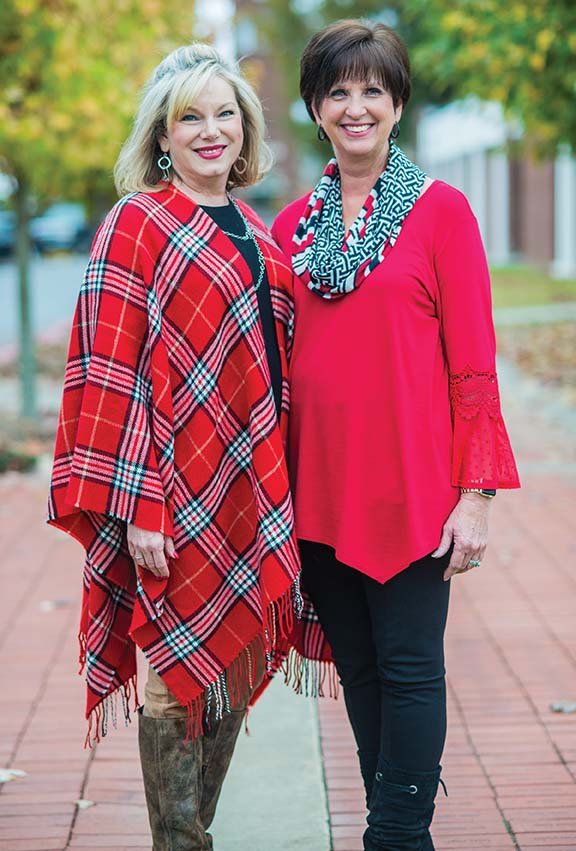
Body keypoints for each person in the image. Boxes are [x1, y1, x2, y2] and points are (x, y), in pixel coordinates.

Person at [272, 20, 520, 851]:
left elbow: (475, 366)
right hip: (321, 495)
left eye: (372, 90)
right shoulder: (293, 232)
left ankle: (398, 835)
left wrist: (475, 496)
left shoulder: (442, 214)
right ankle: (395, 826)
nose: (355, 107)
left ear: (398, 104)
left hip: (415, 491)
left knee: (411, 668)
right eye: (337, 91)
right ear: (314, 108)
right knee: (365, 671)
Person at [48, 43, 302, 850]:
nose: (209, 130)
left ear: (247, 126)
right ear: (162, 132)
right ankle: (179, 843)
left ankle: (192, 836)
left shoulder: (261, 236)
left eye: (225, 113)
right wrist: (138, 506)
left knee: (232, 662)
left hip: (247, 488)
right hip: (168, 488)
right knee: (172, 672)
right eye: (189, 116)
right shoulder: (139, 223)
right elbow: (109, 373)